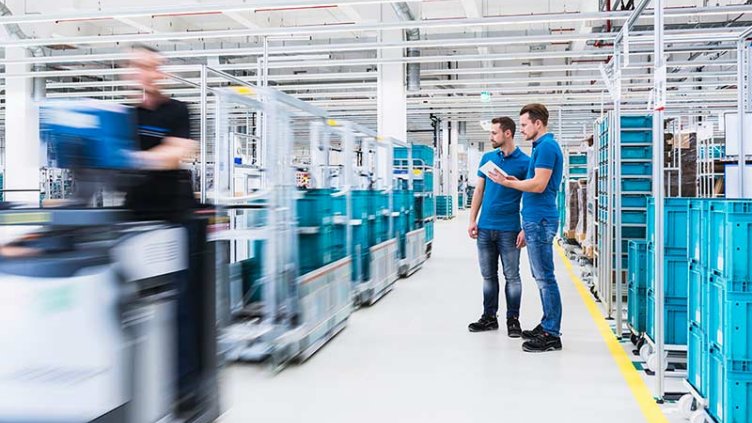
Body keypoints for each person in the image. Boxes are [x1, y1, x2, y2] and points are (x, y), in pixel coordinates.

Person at [487, 103, 564, 353]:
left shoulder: (547, 147)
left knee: (545, 278)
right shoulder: (541, 147)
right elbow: (534, 181)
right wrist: (514, 180)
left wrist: (509, 185)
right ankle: (546, 324)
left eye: (523, 125)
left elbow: (540, 185)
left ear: (537, 123)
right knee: (540, 276)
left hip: (540, 220)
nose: (521, 130)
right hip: (536, 218)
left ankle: (551, 333)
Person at [467, 117, 530, 337]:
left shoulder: (525, 162)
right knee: (488, 276)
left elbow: (531, 196)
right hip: (485, 227)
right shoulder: (487, 158)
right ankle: (489, 317)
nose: (491, 136)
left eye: (494, 133)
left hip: (510, 229)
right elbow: (479, 191)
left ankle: (513, 320)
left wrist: (525, 228)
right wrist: (472, 219)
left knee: (512, 276)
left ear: (508, 134)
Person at [124, 44, 198, 221]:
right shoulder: (126, 114)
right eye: (135, 66)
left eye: (147, 67)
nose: (140, 73)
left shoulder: (177, 110)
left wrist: (128, 158)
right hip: (135, 209)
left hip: (172, 212)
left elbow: (174, 155)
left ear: (159, 72)